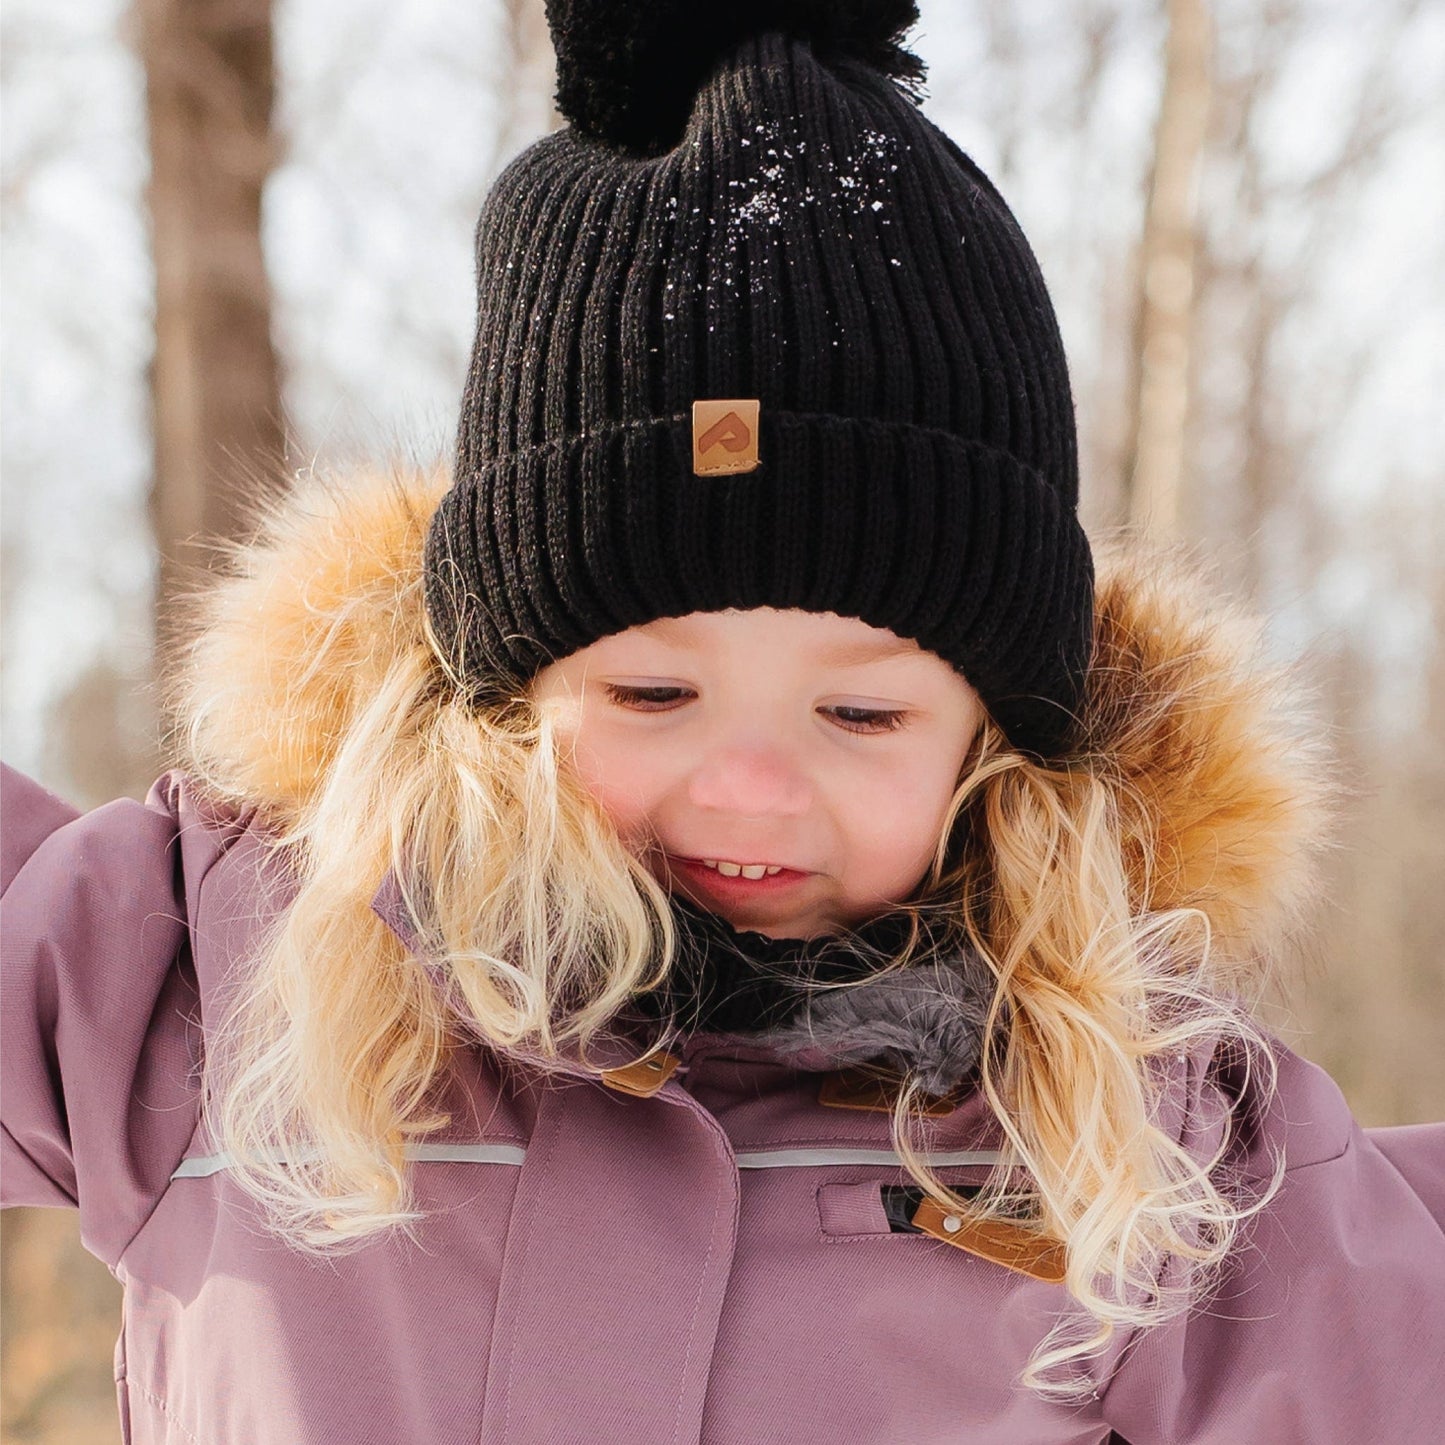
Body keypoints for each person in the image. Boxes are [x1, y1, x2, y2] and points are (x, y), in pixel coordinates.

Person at [3, 3, 1442, 1442]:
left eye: (862, 711)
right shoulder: (216, 971)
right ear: (501, 695)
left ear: (994, 742)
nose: (749, 784)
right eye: (650, 693)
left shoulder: (1142, 1135)